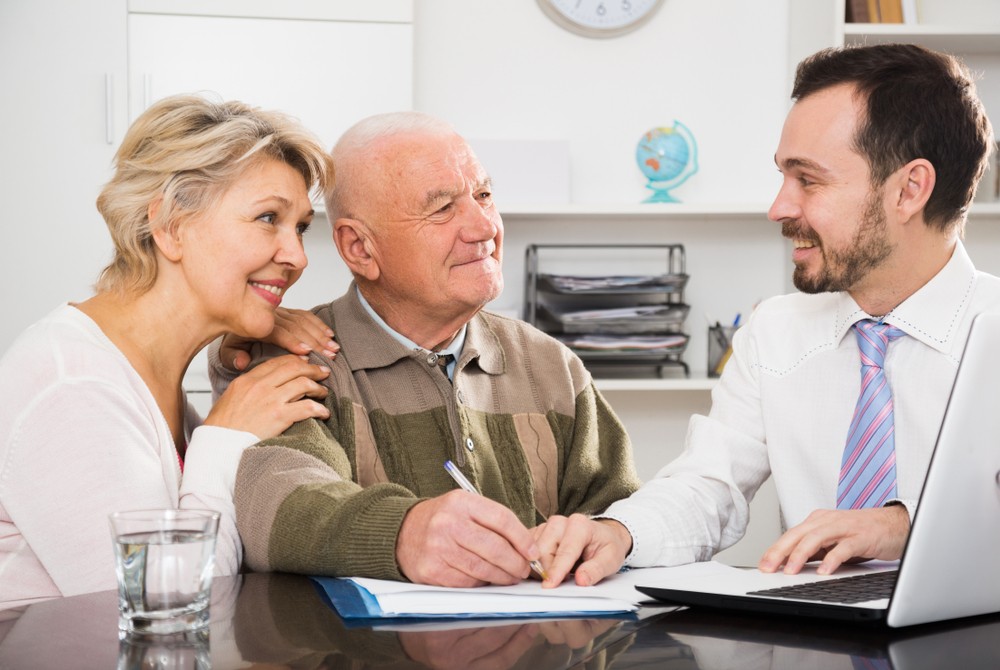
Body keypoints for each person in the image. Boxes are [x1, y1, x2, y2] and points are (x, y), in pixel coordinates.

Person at [537, 42, 1000, 587]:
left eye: (808, 179)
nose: (778, 207)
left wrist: (905, 524)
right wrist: (620, 532)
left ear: (909, 190)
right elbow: (707, 488)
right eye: (783, 177)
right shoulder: (775, 333)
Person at [212, 111, 642, 588]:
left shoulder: (552, 366)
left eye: (483, 195)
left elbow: (623, 510)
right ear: (359, 248)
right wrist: (401, 534)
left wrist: (611, 533)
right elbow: (276, 507)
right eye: (442, 209)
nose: (485, 227)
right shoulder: (294, 362)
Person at [0, 94, 336, 607]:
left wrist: (230, 374)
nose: (297, 257)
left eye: (302, 227)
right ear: (171, 226)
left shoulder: (148, 372)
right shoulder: (72, 384)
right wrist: (226, 435)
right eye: (269, 218)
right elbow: (164, 610)